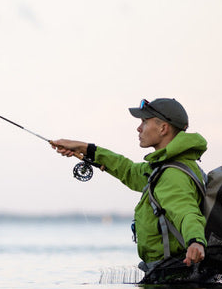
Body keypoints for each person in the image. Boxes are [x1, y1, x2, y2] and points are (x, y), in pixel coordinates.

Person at [50, 98, 207, 271]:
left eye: (144, 122)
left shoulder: (172, 175)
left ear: (163, 128)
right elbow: (129, 171)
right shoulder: (166, 168)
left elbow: (186, 212)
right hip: (169, 271)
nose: (139, 128)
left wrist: (196, 241)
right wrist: (84, 148)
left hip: (173, 274)